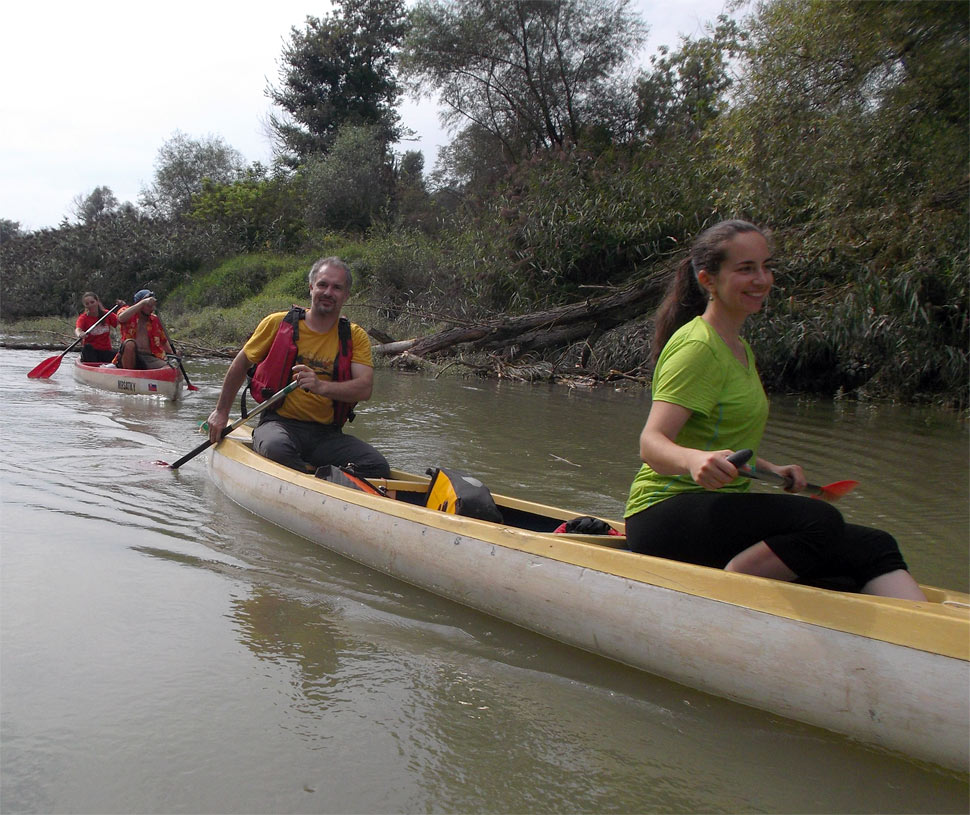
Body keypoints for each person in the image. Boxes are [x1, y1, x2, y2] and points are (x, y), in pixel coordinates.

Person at [623, 220, 925, 601]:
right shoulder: (697, 347)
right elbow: (651, 443)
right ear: (708, 280)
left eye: (766, 266)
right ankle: (735, 590)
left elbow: (724, 441)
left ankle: (933, 645)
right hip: (663, 513)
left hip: (716, 508)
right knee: (820, 521)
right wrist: (693, 460)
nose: (762, 279)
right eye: (746, 269)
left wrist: (771, 470)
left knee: (875, 545)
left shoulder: (739, 348)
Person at [206, 256, 390, 478]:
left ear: (346, 295)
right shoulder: (277, 322)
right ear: (311, 287)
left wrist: (320, 386)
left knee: (376, 465)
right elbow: (241, 364)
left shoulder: (355, 336)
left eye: (337, 287)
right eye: (322, 284)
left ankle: (328, 483)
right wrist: (221, 412)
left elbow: (364, 388)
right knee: (277, 449)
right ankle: (308, 480)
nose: (328, 292)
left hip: (327, 434)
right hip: (279, 425)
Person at [115, 289, 177, 370]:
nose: (152, 308)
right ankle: (129, 374)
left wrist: (173, 355)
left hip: (149, 357)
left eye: (152, 305)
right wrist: (144, 302)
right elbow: (121, 318)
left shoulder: (155, 319)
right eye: (148, 305)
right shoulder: (127, 312)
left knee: (170, 368)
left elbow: (163, 341)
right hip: (129, 356)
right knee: (129, 343)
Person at [75, 291, 121, 363]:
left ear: (97, 302)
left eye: (92, 302)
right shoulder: (83, 318)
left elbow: (121, 320)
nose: (90, 305)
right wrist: (80, 334)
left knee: (121, 355)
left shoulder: (107, 314)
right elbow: (78, 329)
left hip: (106, 351)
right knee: (87, 347)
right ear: (85, 305)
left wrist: (123, 307)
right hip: (91, 352)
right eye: (87, 304)